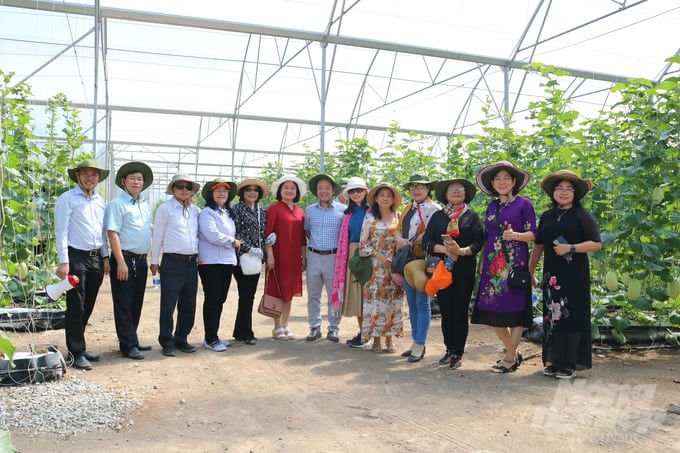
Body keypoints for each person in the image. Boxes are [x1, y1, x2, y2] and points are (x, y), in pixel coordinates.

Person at [529, 170, 602, 380]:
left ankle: (570, 363)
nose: (563, 192)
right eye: (559, 188)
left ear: (575, 193)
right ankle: (555, 360)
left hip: (575, 275)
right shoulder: (548, 216)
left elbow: (596, 243)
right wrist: (531, 271)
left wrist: (571, 247)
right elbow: (539, 245)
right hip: (553, 275)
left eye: (568, 189)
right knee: (553, 317)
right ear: (553, 192)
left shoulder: (582, 215)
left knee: (572, 317)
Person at [471, 161, 537, 373]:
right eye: (497, 179)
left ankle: (509, 358)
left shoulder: (524, 204)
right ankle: (513, 352)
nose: (502, 182)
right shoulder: (492, 206)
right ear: (492, 183)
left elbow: (534, 234)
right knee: (492, 310)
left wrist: (516, 235)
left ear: (514, 182)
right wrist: (481, 262)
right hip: (492, 265)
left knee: (516, 309)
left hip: (515, 263)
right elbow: (487, 235)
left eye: (506, 178)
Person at [55, 158, 110, 370]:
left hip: (95, 257)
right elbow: (61, 230)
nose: (90, 178)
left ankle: (81, 346)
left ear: (98, 178)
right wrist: (64, 261)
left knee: (88, 302)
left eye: (94, 175)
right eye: (85, 174)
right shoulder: (67, 199)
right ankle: (76, 352)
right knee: (76, 304)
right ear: (78, 176)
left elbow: (102, 232)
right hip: (75, 256)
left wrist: (105, 257)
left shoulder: (100, 201)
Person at [422, 178, 484, 368]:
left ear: (465, 194)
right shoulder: (438, 216)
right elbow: (427, 241)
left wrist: (462, 251)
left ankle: (458, 352)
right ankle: (448, 348)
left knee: (460, 310)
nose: (456, 192)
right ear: (445, 194)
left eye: (460, 189)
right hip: (442, 270)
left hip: (464, 270)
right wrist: (443, 249)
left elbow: (478, 242)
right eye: (452, 189)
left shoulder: (471, 217)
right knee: (446, 310)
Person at [105, 161, 154, 360]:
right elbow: (113, 233)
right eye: (132, 178)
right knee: (124, 302)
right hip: (124, 258)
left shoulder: (144, 205)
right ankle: (128, 344)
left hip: (141, 260)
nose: (137, 182)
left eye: (140, 179)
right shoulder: (117, 204)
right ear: (124, 181)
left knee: (136, 302)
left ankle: (131, 338)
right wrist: (121, 262)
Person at [151, 173, 201, 357]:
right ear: (173, 189)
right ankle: (166, 340)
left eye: (188, 187)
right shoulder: (165, 209)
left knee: (189, 303)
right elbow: (157, 236)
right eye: (180, 187)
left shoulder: (196, 210)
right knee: (168, 303)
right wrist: (154, 260)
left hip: (191, 263)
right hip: (172, 261)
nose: (184, 190)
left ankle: (182, 338)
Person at [394, 175, 440, 361]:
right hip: (407, 260)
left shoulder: (435, 209)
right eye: (413, 187)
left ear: (428, 189)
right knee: (412, 303)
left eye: (420, 186)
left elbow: (437, 232)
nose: (416, 190)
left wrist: (422, 238)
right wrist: (399, 238)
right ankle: (415, 341)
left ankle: (420, 343)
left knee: (422, 302)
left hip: (423, 259)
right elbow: (397, 228)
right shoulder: (408, 208)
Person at [360, 182, 404, 353]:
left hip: (394, 266)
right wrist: (379, 256)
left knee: (394, 302)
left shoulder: (399, 216)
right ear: (376, 199)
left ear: (393, 199)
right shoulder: (369, 218)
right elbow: (363, 243)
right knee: (376, 303)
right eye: (381, 195)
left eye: (388, 195)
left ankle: (390, 339)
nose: (385, 198)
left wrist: (393, 258)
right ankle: (376, 339)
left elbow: (403, 240)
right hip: (375, 267)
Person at [197, 179, 241, 352]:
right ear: (211, 195)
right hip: (210, 262)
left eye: (225, 191)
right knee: (213, 299)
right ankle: (210, 338)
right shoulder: (207, 213)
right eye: (218, 191)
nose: (222, 193)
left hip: (226, 262)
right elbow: (212, 235)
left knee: (220, 299)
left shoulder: (227, 214)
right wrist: (232, 241)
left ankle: (214, 335)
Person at [304, 174, 346, 342]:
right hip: (314, 255)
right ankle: (314, 327)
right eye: (320, 188)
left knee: (334, 295)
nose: (323, 191)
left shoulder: (342, 210)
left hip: (334, 257)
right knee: (313, 295)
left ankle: (333, 328)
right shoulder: (310, 210)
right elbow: (307, 231)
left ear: (333, 191)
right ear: (316, 191)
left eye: (327, 188)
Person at [265, 175, 307, 341]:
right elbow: (268, 234)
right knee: (277, 290)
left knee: (289, 291)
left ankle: (285, 324)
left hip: (294, 256)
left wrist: (304, 256)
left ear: (296, 192)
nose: (289, 190)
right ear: (280, 191)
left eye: (292, 188)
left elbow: (302, 237)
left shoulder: (300, 211)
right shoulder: (274, 208)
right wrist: (270, 255)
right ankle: (277, 327)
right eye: (286, 187)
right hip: (278, 255)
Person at [330, 176, 370, 348]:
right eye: (352, 191)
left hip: (370, 253)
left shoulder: (374, 210)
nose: (356, 193)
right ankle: (364, 333)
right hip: (352, 253)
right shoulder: (348, 214)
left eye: (359, 190)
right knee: (358, 296)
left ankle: (374, 333)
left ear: (366, 192)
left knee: (370, 294)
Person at [231, 178, 269, 345]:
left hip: (256, 258)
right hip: (242, 258)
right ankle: (246, 332)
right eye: (248, 190)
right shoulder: (236, 210)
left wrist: (269, 239)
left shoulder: (262, 211)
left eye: (255, 190)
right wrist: (248, 248)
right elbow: (234, 232)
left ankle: (241, 330)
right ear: (242, 193)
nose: (252, 192)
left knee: (249, 295)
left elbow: (264, 232)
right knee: (245, 294)